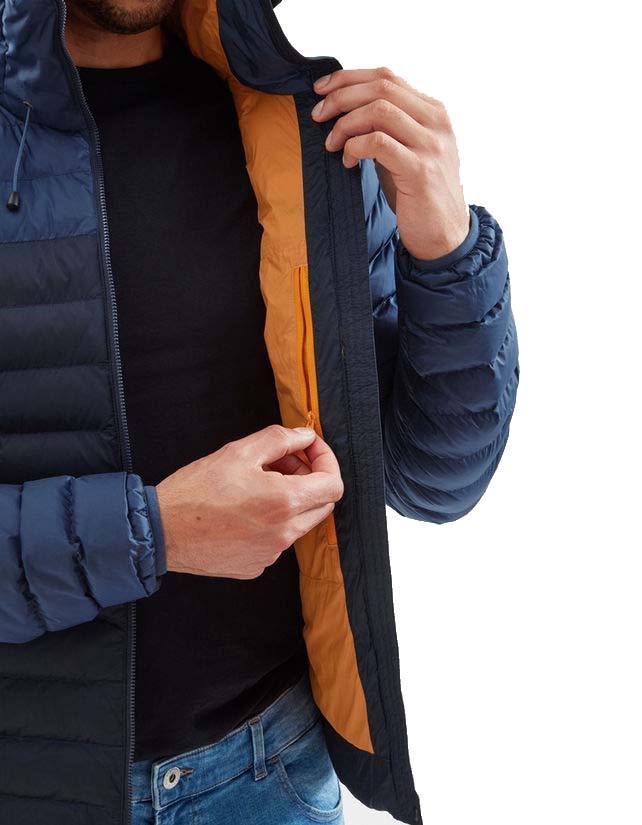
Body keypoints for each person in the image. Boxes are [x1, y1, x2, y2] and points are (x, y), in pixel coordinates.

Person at [0, 0, 518, 822]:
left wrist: (446, 245)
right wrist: (154, 532)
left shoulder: (298, 132)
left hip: (267, 771)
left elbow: (431, 477)